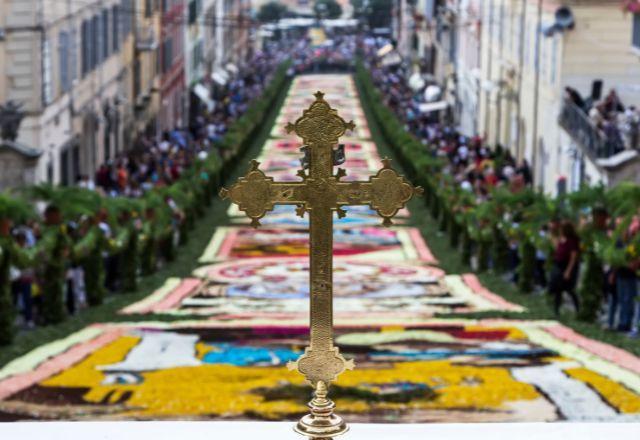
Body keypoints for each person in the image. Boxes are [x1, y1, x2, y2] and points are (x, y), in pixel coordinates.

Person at [548, 221, 581, 316]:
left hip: (566, 267)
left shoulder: (572, 241)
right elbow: (556, 247)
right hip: (558, 266)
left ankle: (578, 309)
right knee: (558, 289)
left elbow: (573, 257)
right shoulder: (562, 239)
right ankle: (556, 310)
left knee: (569, 289)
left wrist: (568, 271)